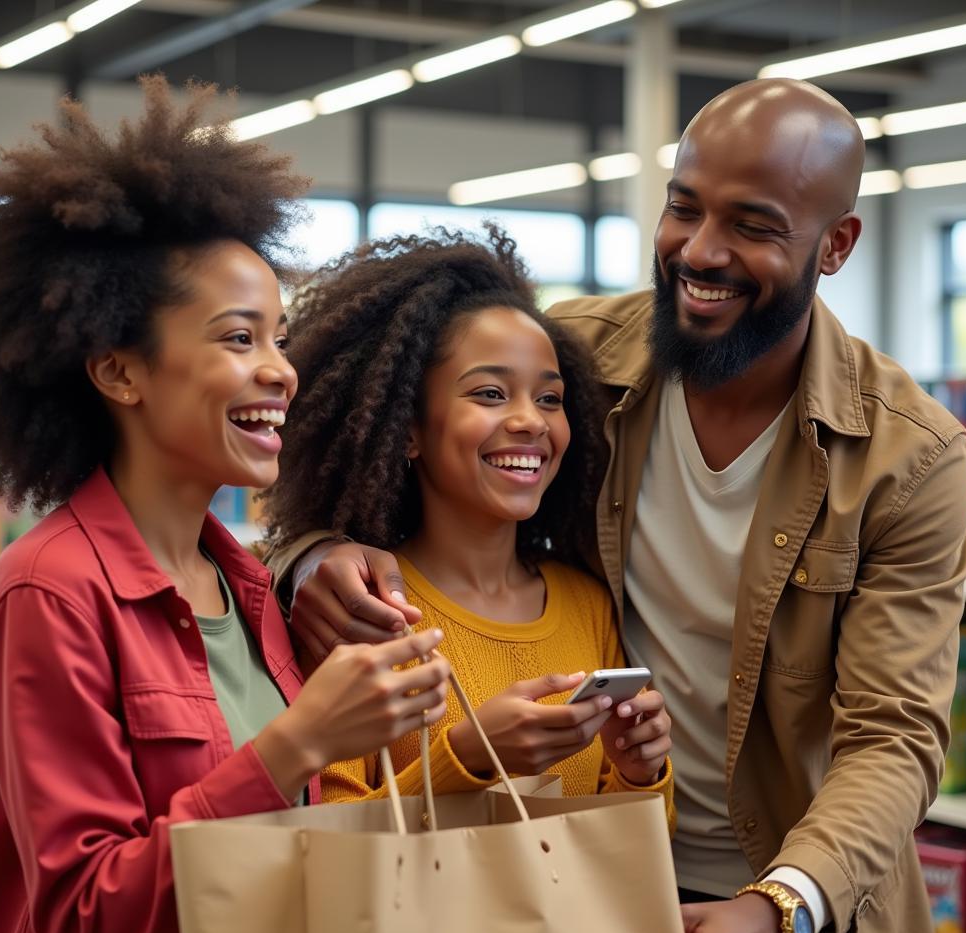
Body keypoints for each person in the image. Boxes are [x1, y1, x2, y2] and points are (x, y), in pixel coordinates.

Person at [275, 79, 966, 933]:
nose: (701, 250)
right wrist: (314, 552)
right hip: (574, 884)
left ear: (836, 245)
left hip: (796, 920)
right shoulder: (575, 364)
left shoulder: (908, 456)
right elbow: (389, 451)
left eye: (753, 225)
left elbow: (893, 737)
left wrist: (776, 913)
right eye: (683, 208)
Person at [0, 78, 449, 933]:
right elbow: (90, 924)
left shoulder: (246, 587)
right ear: (119, 371)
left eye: (279, 335)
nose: (281, 368)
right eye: (239, 339)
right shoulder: (50, 596)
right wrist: (300, 740)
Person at [263, 226, 675, 813]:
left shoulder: (588, 604)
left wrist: (641, 773)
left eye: (550, 398)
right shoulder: (362, 609)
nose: (531, 420)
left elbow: (635, 851)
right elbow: (327, 834)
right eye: (489, 394)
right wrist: (470, 757)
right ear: (406, 429)